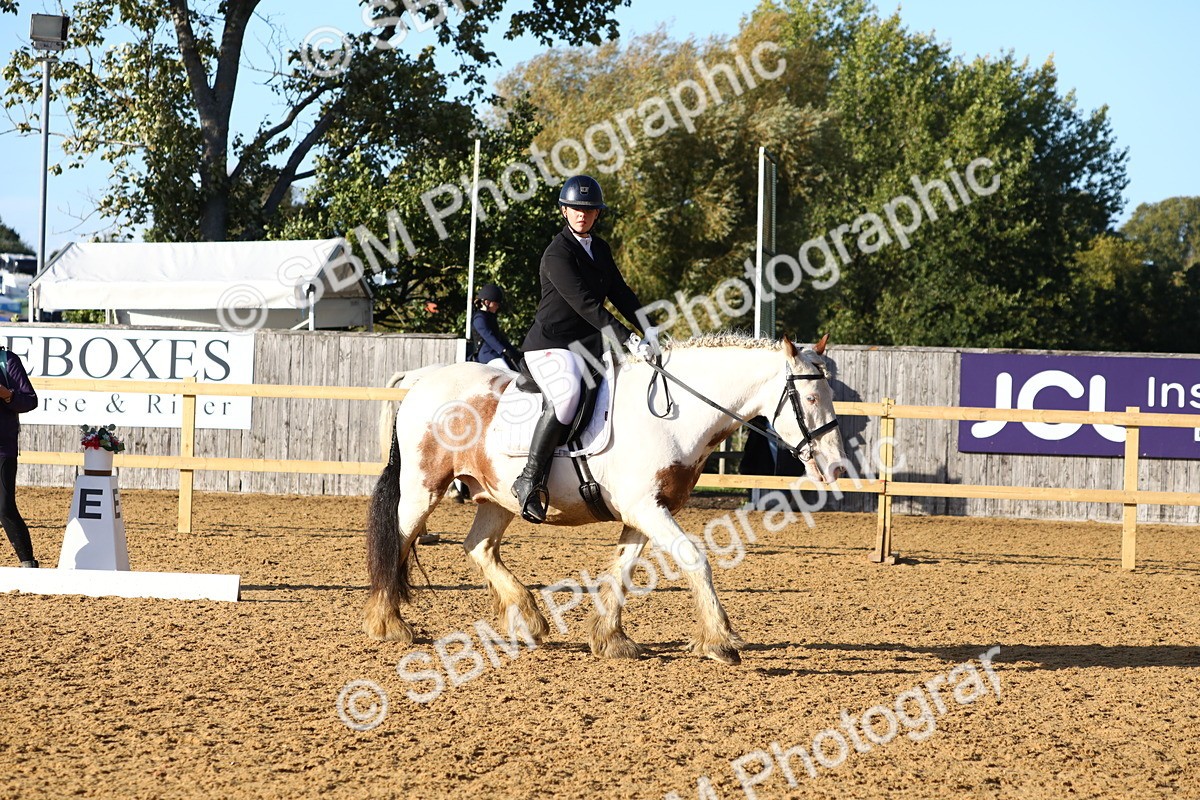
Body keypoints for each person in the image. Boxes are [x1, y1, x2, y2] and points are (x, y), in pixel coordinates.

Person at [512, 174, 660, 524]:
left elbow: (621, 293)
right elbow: (585, 304)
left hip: (587, 344)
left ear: (597, 214)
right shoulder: (557, 254)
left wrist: (650, 328)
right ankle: (530, 479)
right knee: (566, 396)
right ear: (564, 210)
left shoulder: (600, 249)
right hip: (552, 345)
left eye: (589, 209)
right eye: (576, 208)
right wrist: (626, 337)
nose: (582, 214)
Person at [0, 347, 39, 567]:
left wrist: (6, 394)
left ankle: (28, 563)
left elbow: (30, 400)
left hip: (2, 447)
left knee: (4, 508)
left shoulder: (8, 361)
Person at [470, 284, 522, 371]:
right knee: (506, 371)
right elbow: (489, 336)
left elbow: (500, 337)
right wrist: (503, 350)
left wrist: (514, 352)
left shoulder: (491, 317)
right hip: (487, 355)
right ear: (487, 302)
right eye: (496, 303)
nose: (498, 306)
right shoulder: (479, 318)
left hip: (497, 353)